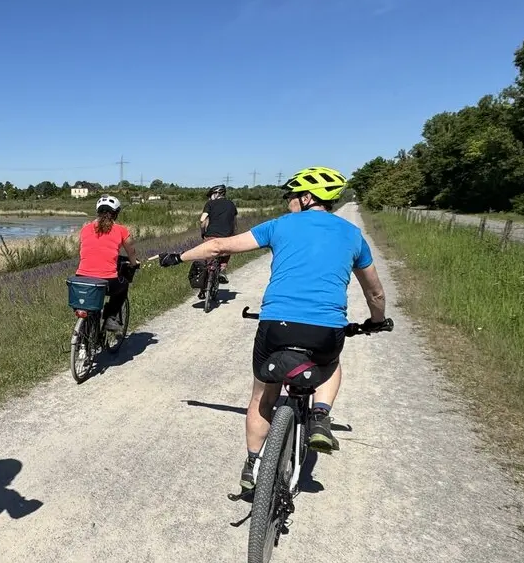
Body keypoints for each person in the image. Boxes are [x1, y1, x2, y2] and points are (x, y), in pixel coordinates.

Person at [156, 167, 388, 489]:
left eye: (291, 197)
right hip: (324, 331)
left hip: (276, 327)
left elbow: (218, 247)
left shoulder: (279, 226)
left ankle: (252, 464)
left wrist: (177, 257)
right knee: (330, 363)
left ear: (307, 198)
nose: (288, 203)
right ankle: (320, 415)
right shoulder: (352, 236)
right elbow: (374, 292)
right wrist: (377, 321)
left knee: (262, 398)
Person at [75, 195, 141, 331]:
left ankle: (86, 332)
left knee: (87, 302)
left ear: (98, 211)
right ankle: (110, 318)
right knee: (123, 286)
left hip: (82, 277)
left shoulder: (85, 229)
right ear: (116, 214)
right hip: (107, 280)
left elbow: (81, 251)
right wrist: (134, 263)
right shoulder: (121, 230)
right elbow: (132, 251)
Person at [197, 184, 238, 294]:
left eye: (211, 195)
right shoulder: (231, 204)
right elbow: (234, 222)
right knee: (227, 252)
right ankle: (222, 270)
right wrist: (233, 234)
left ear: (216, 194)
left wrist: (203, 233)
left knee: (207, 261)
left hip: (211, 236)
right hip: (226, 236)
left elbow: (202, 220)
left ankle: (202, 288)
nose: (210, 198)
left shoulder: (210, 204)